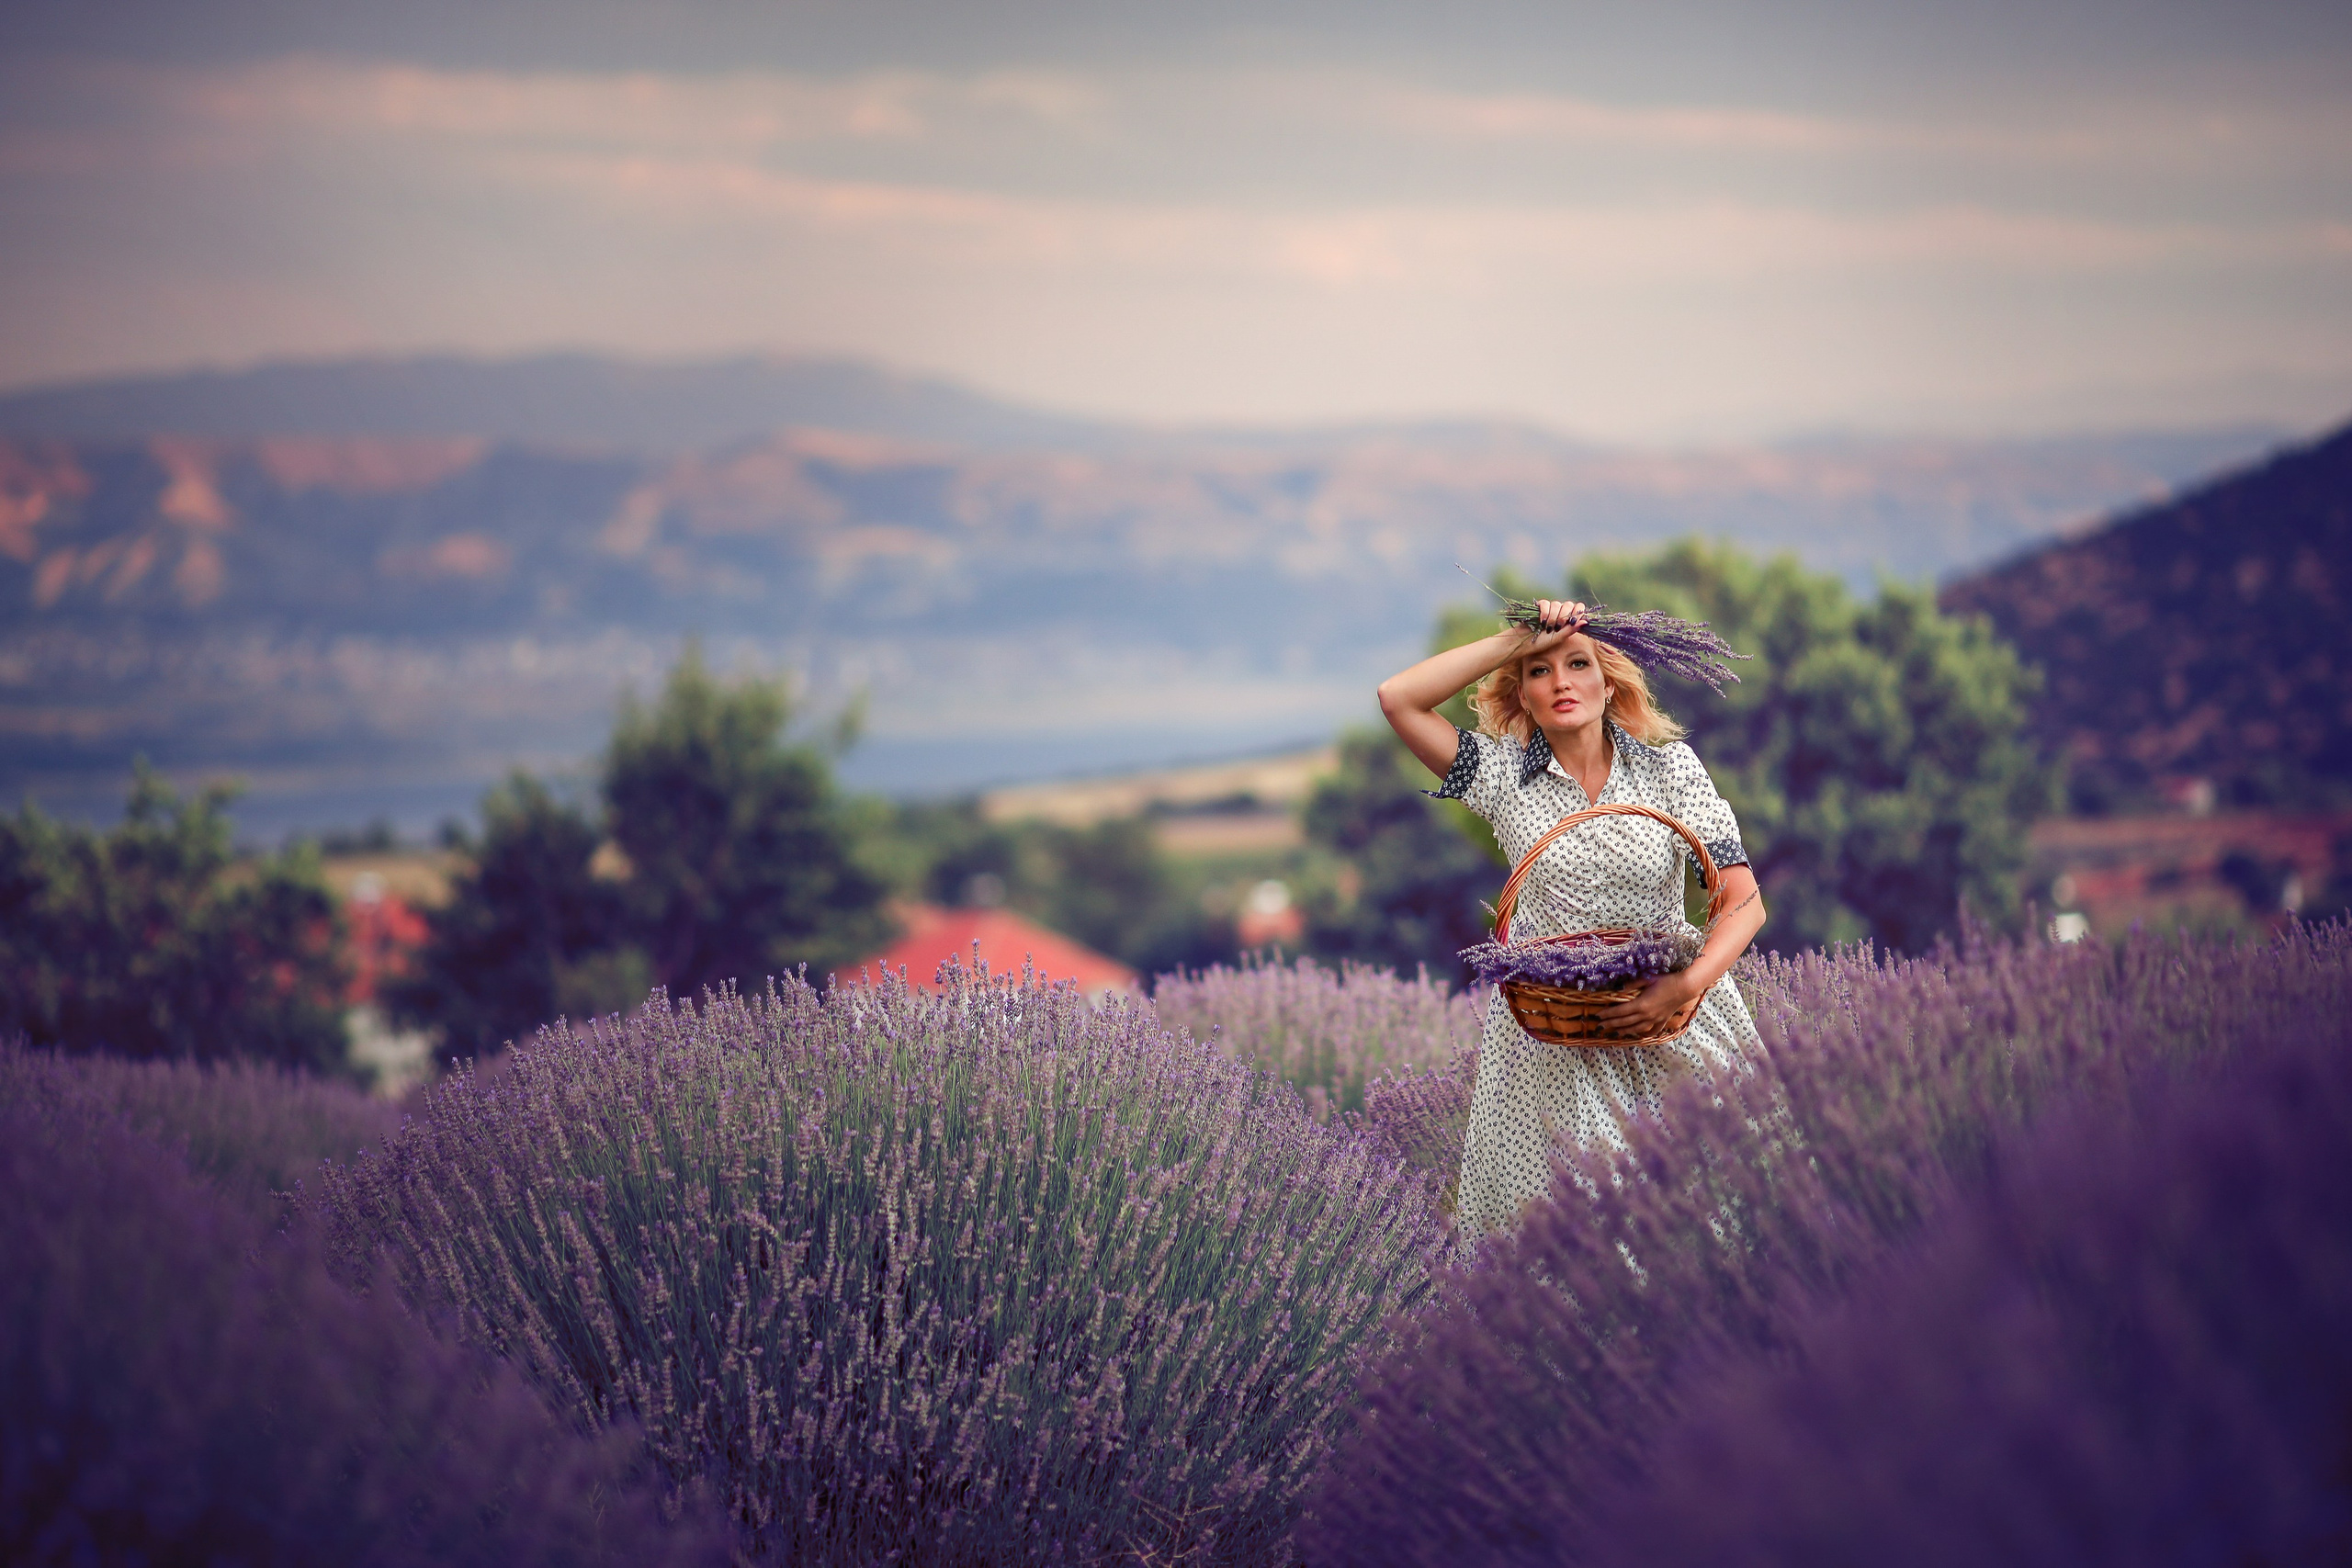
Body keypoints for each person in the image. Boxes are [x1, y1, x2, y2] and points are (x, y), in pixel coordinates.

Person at [1377, 597, 1768, 1252]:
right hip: (1552, 1043)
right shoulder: (1500, 777)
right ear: (1521, 695)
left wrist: (1688, 985)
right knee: (1588, 1242)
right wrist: (1521, 637)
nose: (1560, 682)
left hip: (1679, 1021)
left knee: (1725, 1225)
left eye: (1578, 663)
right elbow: (1398, 699)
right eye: (1538, 671)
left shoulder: (1670, 769)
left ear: (1608, 681)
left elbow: (1743, 899)